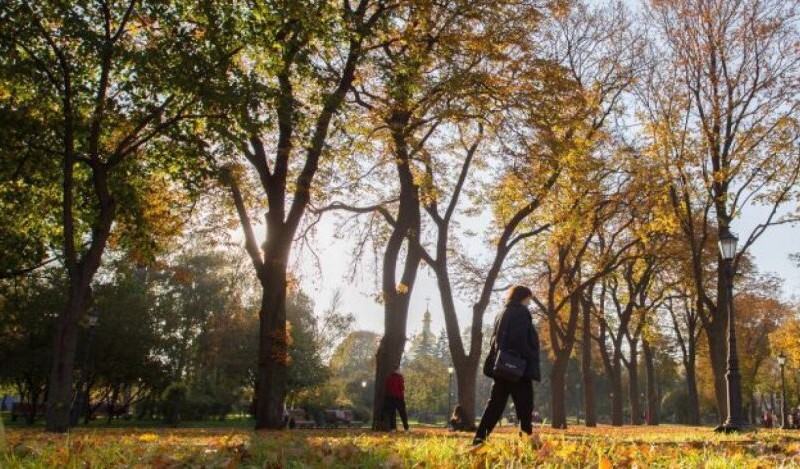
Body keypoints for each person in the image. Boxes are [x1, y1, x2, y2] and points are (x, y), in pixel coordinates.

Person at [472, 285, 540, 446]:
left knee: (494, 407)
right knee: (524, 407)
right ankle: (529, 443)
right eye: (529, 299)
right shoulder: (521, 312)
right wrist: (529, 354)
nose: (529, 303)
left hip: (501, 367)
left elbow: (495, 340)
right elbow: (520, 339)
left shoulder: (501, 313)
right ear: (523, 297)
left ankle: (478, 440)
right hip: (518, 368)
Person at [384, 368, 409, 432]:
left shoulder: (389, 377)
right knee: (402, 413)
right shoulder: (400, 377)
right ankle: (406, 428)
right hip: (399, 397)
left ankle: (393, 429)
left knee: (392, 413)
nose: (400, 371)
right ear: (397, 370)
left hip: (390, 397)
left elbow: (387, 387)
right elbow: (402, 387)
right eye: (399, 370)